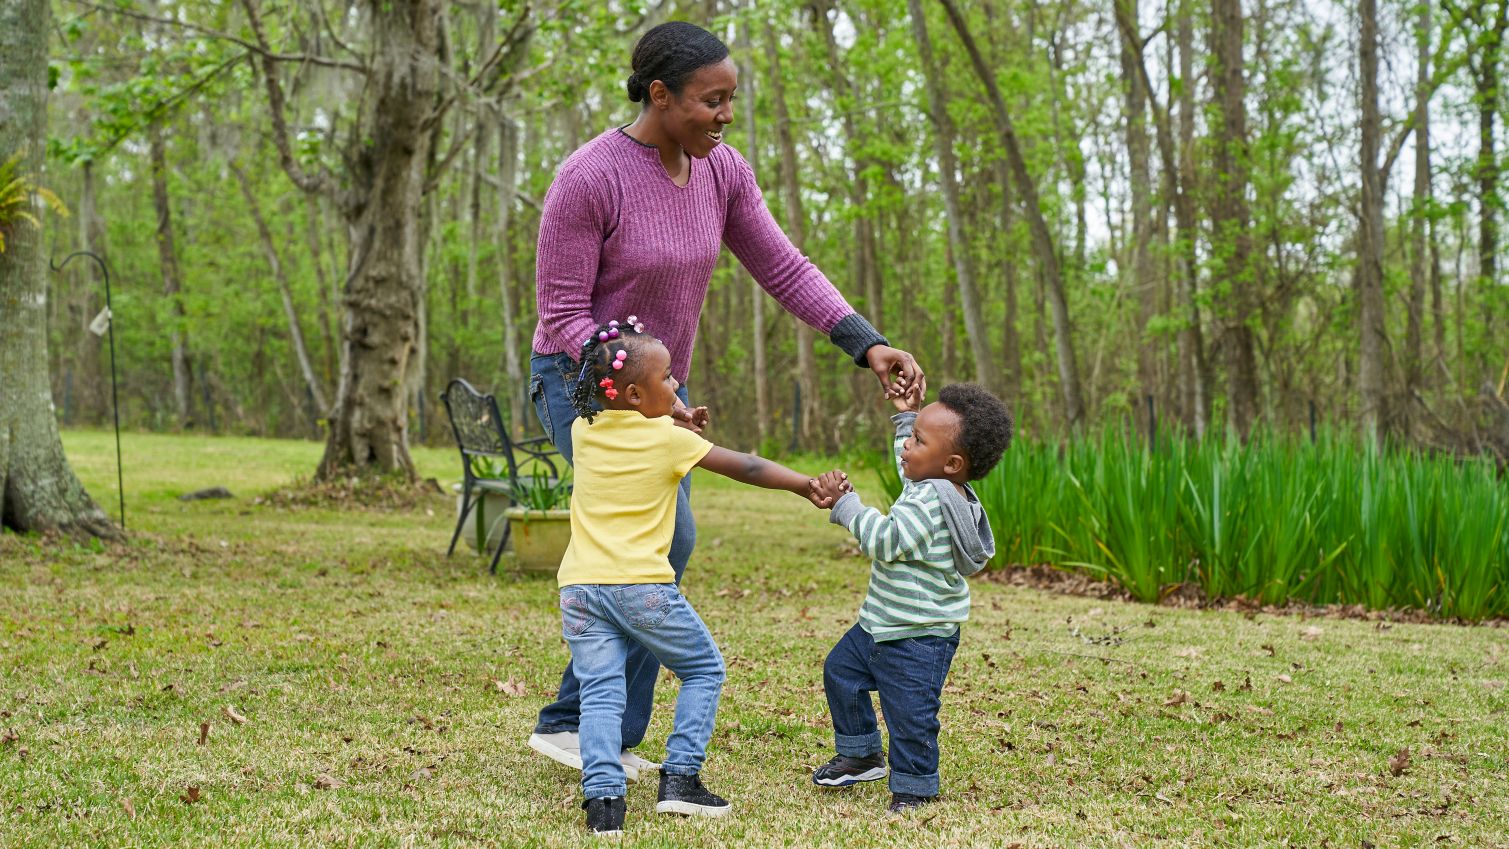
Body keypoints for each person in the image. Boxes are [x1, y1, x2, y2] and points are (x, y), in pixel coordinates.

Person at [527, 19, 925, 779]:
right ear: (659, 94)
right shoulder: (590, 176)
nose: (725, 115)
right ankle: (581, 722)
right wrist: (642, 394)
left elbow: (783, 264)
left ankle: (586, 724)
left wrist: (866, 342)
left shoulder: (722, 171)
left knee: (660, 547)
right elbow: (564, 314)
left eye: (730, 99)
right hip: (577, 383)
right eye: (711, 100)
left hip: (655, 390)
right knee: (659, 544)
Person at [558, 319, 845, 834]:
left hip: (579, 588)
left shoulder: (585, 431)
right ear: (631, 392)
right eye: (668, 380)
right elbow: (748, 467)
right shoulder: (667, 441)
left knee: (600, 692)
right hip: (639, 587)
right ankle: (681, 779)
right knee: (704, 669)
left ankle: (604, 804)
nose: (676, 387)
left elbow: (635, 416)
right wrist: (806, 485)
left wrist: (676, 412)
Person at [808, 383, 1013, 813]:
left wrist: (847, 505)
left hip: (917, 638)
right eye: (911, 434)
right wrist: (908, 416)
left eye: (918, 440)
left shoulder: (930, 504)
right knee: (840, 673)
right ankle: (862, 754)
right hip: (880, 624)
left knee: (911, 716)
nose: (906, 447)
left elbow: (885, 541)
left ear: (951, 463)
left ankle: (916, 789)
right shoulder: (934, 482)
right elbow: (911, 468)